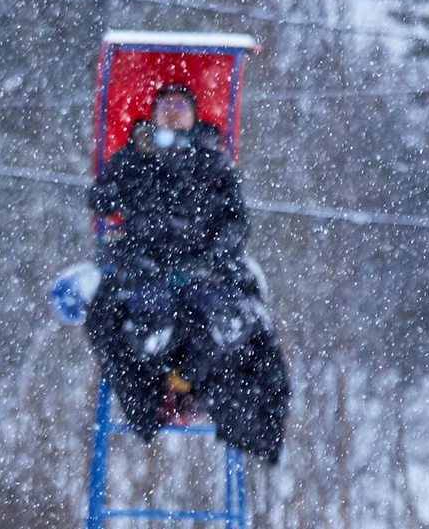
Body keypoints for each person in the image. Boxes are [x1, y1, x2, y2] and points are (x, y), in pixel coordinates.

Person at [84, 81, 289, 462]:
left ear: (195, 115)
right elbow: (100, 198)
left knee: (232, 326)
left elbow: (237, 222)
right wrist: (132, 158)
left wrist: (209, 259)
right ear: (154, 112)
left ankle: (194, 392)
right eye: (165, 104)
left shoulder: (213, 161)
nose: (173, 111)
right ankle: (157, 398)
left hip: (203, 272)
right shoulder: (135, 156)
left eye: (181, 105)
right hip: (147, 270)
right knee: (129, 321)